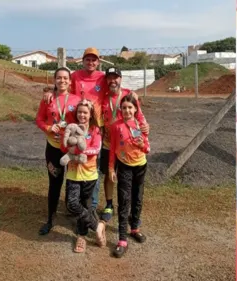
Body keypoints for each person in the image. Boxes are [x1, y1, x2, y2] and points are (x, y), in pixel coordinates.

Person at [42, 47, 144, 212]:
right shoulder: (75, 76)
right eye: (87, 59)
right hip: (77, 126)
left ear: (98, 62)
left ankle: (91, 204)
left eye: (94, 60)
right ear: (83, 61)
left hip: (96, 127)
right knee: (73, 162)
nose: (91, 62)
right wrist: (51, 92)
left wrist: (132, 93)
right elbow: (63, 86)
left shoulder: (102, 78)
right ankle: (72, 203)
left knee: (93, 165)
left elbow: (115, 85)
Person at [35, 67, 82, 235]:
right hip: (53, 148)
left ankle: (77, 219)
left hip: (71, 150)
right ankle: (51, 218)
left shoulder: (77, 100)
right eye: (59, 78)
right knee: (54, 184)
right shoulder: (47, 99)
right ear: (54, 80)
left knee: (73, 185)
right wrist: (49, 128)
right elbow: (39, 119)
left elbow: (84, 120)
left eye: (65, 78)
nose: (62, 81)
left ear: (70, 82)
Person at [99, 67, 148, 223]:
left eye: (116, 77)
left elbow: (139, 117)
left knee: (130, 179)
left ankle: (132, 211)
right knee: (109, 174)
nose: (113, 80)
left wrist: (145, 129)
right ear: (106, 80)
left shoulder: (129, 95)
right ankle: (108, 205)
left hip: (128, 145)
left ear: (121, 79)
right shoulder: (103, 98)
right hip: (108, 143)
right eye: (110, 78)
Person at [60, 99, 106, 253]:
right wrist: (68, 145)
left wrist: (80, 151)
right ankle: (97, 226)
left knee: (86, 205)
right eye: (79, 112)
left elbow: (96, 149)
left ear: (90, 114)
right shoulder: (71, 128)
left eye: (85, 112)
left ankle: (81, 236)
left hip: (89, 174)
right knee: (73, 204)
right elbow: (63, 145)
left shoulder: (95, 130)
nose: (82, 115)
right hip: (73, 174)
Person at [108, 94, 150, 258]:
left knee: (138, 198)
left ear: (135, 109)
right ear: (121, 109)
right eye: (124, 107)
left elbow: (147, 148)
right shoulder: (116, 126)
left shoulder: (141, 125)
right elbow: (112, 148)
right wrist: (111, 169)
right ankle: (122, 239)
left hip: (140, 166)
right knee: (124, 201)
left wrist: (142, 145)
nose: (127, 110)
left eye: (130, 107)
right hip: (124, 167)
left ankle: (134, 229)